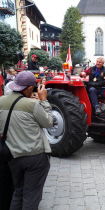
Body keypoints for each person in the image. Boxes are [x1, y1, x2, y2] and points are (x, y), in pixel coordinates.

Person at [0, 71, 53, 210]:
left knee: (18, 192)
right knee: (31, 195)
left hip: (13, 156)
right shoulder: (32, 105)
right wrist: (44, 101)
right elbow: (49, 122)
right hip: (35, 157)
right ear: (30, 88)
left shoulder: (0, 101)